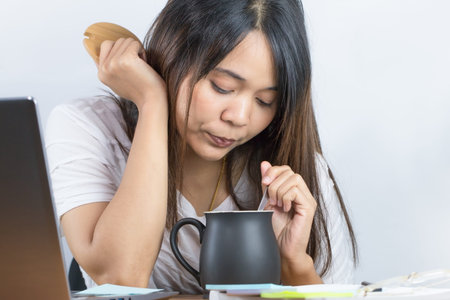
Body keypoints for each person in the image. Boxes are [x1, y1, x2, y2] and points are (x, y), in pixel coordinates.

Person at [46, 0, 358, 294]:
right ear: (174, 49)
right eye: (222, 87)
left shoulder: (295, 172)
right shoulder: (90, 129)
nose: (239, 117)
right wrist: (153, 100)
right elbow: (122, 281)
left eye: (265, 101)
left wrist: (294, 264)